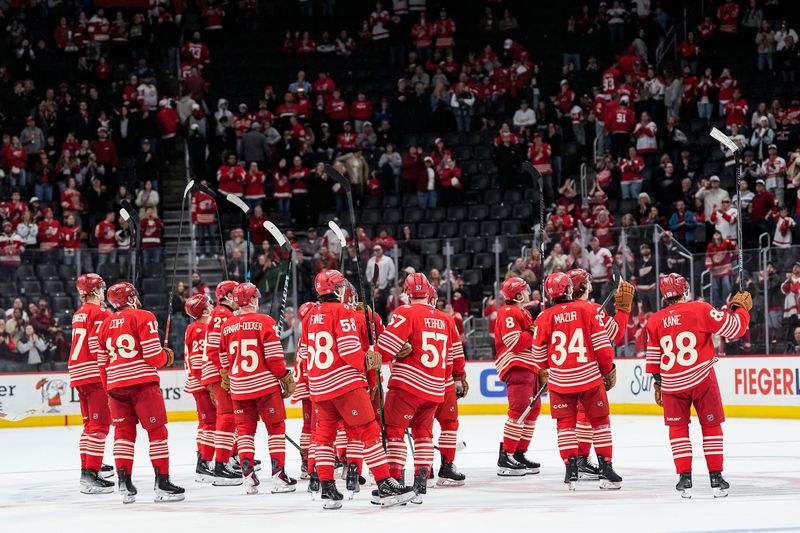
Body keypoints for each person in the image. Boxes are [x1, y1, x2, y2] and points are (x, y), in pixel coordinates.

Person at [301, 270, 415, 509]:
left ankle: (327, 488)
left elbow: (304, 353)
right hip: (344, 383)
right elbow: (349, 350)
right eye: (341, 285)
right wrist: (367, 360)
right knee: (368, 430)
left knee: (324, 437)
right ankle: (385, 483)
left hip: (319, 386)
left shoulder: (309, 315)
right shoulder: (343, 311)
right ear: (336, 288)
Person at [645, 273, 751, 498]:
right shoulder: (700, 309)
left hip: (672, 384)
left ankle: (685, 479)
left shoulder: (654, 320)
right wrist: (739, 309)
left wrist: (657, 383)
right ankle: (716, 478)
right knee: (711, 427)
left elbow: (653, 359)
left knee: (678, 429)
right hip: (702, 378)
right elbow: (736, 329)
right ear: (685, 290)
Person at [531, 273, 621, 490]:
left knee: (565, 426)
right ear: (570, 289)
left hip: (561, 381)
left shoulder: (544, 317)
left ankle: (571, 470)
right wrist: (607, 369)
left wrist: (549, 367)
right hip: (589, 377)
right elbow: (603, 347)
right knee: (600, 422)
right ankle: (605, 467)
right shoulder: (588, 309)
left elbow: (538, 355)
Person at [97, 282, 184, 503]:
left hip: (115, 384)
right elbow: (153, 357)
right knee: (157, 432)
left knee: (123, 435)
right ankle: (162, 482)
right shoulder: (144, 316)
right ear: (131, 298)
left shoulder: (104, 324)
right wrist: (166, 356)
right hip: (142, 383)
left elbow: (101, 363)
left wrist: (108, 389)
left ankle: (124, 483)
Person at [375, 273, 460, 502]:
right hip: (435, 388)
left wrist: (374, 352)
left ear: (407, 292)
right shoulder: (446, 318)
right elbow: (452, 357)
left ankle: (395, 484)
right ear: (430, 293)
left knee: (394, 432)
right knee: (423, 434)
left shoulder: (405, 312)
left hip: (407, 385)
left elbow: (385, 349)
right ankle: (420, 485)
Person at [219, 283, 297, 494]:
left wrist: (230, 377)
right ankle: (278, 475)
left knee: (244, 432)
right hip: (264, 386)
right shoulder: (264, 321)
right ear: (252, 299)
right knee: (276, 429)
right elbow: (273, 357)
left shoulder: (227, 326)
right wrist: (284, 376)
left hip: (239, 388)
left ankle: (248, 478)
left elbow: (224, 359)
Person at [567, 269, 635, 477]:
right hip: (589, 371)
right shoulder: (593, 309)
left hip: (565, 373)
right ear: (583, 286)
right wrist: (623, 308)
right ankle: (585, 460)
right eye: (587, 281)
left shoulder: (558, 311)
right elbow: (616, 332)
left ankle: (578, 460)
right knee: (592, 416)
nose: (590, 283)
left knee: (577, 417)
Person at [68, 273, 114, 494]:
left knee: (89, 426)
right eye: (101, 288)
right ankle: (91, 474)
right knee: (99, 426)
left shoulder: (79, 313)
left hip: (78, 371)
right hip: (94, 373)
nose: (103, 291)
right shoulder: (100, 313)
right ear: (95, 290)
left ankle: (88, 467)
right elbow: (99, 346)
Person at [492, 277, 542, 477]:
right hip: (516, 364)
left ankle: (519, 453)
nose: (529, 292)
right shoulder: (509, 312)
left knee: (532, 410)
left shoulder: (523, 311)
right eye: (525, 290)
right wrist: (534, 333)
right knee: (520, 410)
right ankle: (507, 455)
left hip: (528, 365)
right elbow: (514, 343)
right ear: (518, 294)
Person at [200, 280, 242, 485]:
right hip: (219, 371)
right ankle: (221, 464)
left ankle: (226, 460)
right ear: (226, 296)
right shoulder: (224, 315)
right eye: (235, 293)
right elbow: (216, 348)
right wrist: (224, 372)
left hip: (215, 371)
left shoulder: (220, 314)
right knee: (227, 416)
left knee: (228, 416)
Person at [428, 284, 469, 486]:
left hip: (417, 383)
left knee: (422, 428)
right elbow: (457, 352)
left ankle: (424, 468)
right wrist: (460, 376)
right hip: (443, 383)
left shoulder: (405, 315)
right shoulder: (446, 319)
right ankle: (447, 466)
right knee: (449, 424)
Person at [182, 293, 216, 483]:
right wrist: (208, 383)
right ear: (204, 311)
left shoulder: (194, 327)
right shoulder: (200, 329)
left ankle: (204, 459)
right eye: (210, 305)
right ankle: (204, 462)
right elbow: (196, 360)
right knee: (210, 423)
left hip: (201, 382)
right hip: (203, 383)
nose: (212, 306)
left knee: (207, 423)